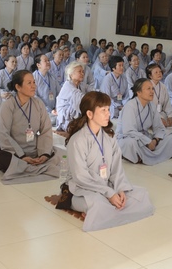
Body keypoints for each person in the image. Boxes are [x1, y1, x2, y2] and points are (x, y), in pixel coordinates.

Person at [65, 91, 154, 231]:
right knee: (98, 203)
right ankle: (98, 210)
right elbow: (80, 176)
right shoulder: (77, 140)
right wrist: (109, 193)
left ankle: (103, 213)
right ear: (90, 114)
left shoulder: (109, 137)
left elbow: (117, 168)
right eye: (103, 110)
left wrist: (120, 189)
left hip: (107, 185)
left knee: (141, 194)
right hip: (83, 189)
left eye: (108, 109)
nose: (108, 114)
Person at [0, 70, 62, 183]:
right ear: (18, 87)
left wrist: (44, 154)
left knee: (58, 152)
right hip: (14, 151)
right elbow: (3, 133)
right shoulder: (8, 105)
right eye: (29, 83)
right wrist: (21, 156)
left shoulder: (38, 103)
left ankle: (28, 165)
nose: (33, 86)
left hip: (34, 149)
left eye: (34, 82)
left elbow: (46, 130)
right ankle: (26, 164)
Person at [116, 79, 172, 165]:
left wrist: (155, 140)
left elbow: (159, 127)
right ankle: (140, 155)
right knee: (130, 144)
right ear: (139, 92)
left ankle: (142, 156)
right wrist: (147, 142)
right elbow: (128, 131)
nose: (152, 91)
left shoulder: (152, 106)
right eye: (148, 89)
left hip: (146, 136)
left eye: (152, 89)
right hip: (128, 137)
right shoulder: (130, 106)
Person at [56, 61, 86, 132]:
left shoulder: (80, 85)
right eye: (79, 71)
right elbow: (83, 100)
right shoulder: (68, 87)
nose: (82, 74)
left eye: (83, 72)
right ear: (71, 74)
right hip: (67, 122)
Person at [33, 54, 60, 124]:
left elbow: (59, 93)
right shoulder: (34, 77)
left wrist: (57, 107)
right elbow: (34, 96)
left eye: (48, 60)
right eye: (45, 61)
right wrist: (47, 109)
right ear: (38, 65)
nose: (48, 62)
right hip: (40, 110)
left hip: (54, 109)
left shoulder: (52, 76)